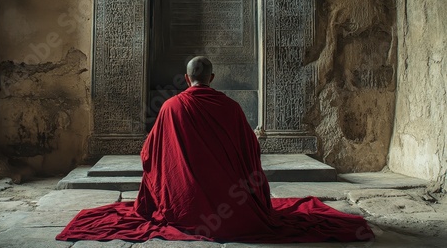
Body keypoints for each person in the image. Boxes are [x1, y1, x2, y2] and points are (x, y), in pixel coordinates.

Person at [56, 56, 374, 243]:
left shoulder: (169, 108)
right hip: (233, 208)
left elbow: (149, 155)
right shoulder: (231, 107)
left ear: (187, 78)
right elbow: (251, 153)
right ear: (212, 77)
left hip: (181, 208)